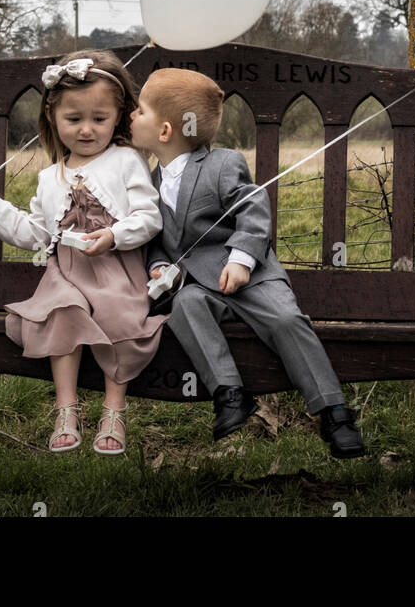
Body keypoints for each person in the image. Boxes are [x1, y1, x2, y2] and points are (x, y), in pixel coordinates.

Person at [132, 67, 367, 458]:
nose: (131, 118)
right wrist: (157, 266)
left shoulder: (222, 164)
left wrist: (242, 259)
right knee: (185, 307)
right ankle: (230, 395)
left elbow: (253, 207)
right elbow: (155, 240)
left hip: (251, 276)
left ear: (166, 131)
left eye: (139, 111)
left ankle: (334, 412)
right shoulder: (148, 183)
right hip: (201, 288)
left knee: (286, 320)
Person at [0, 49, 166, 454]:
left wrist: (115, 236)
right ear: (54, 120)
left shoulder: (127, 161)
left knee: (120, 315)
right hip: (68, 272)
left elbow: (149, 217)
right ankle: (66, 408)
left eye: (99, 119)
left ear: (119, 117)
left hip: (116, 269)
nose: (86, 130)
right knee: (62, 310)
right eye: (73, 119)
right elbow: (34, 233)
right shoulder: (49, 176)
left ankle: (113, 408)